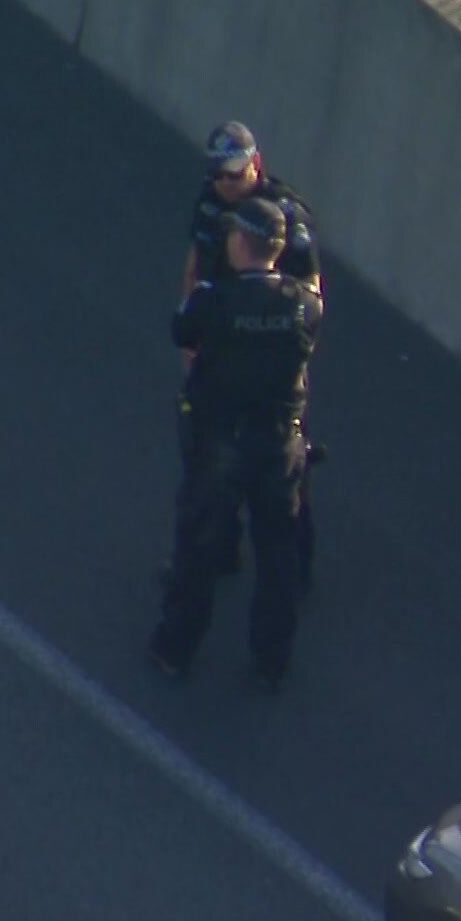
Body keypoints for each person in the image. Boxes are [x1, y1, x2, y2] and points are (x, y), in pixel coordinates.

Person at [149, 197, 323, 689]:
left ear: (240, 242)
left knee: (198, 549)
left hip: (222, 442)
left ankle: (175, 649)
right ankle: (272, 659)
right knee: (278, 552)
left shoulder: (214, 299)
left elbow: (182, 330)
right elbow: (315, 305)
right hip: (278, 443)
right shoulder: (302, 307)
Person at [177, 121, 325, 592]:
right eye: (219, 175)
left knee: (283, 474)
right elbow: (196, 265)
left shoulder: (286, 218)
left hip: (271, 361)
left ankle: (296, 570)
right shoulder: (210, 202)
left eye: (235, 175)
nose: (226, 184)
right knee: (205, 461)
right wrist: (191, 348)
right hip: (221, 344)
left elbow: (312, 293)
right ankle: (215, 554)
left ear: (255, 165)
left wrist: (295, 363)